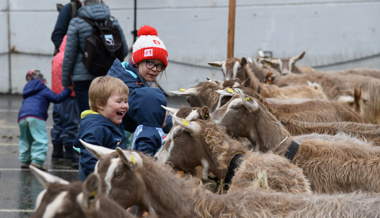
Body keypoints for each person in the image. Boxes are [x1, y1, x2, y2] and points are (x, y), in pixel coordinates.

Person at [62, 0, 128, 114]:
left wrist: (66, 81)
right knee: (108, 115)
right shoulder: (113, 21)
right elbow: (124, 50)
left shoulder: (76, 22)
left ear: (83, 3)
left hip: (84, 78)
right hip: (109, 77)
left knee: (88, 115)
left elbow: (69, 55)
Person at [107, 25, 172, 139]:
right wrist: (180, 122)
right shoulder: (128, 85)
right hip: (114, 140)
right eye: (149, 62)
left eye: (159, 65)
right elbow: (152, 114)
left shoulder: (128, 75)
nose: (155, 69)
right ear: (136, 61)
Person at [74, 76, 129, 181]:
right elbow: (89, 162)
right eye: (119, 101)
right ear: (100, 104)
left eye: (126, 101)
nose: (124, 106)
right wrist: (102, 182)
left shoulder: (113, 122)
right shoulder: (96, 129)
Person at [18, 70, 72, 170]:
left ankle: (25, 161)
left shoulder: (27, 91)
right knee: (40, 139)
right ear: (41, 79)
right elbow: (56, 98)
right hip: (36, 116)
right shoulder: (43, 88)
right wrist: (68, 90)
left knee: (25, 139)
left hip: (22, 116)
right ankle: (37, 162)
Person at [50, 35, 80, 166]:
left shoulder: (56, 57)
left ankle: (57, 150)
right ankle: (69, 152)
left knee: (58, 123)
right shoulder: (70, 58)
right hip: (70, 95)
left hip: (57, 96)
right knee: (70, 123)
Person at [129, 87, 167, 156]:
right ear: (157, 113)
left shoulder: (148, 129)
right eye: (164, 110)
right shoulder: (148, 136)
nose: (167, 113)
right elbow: (145, 162)